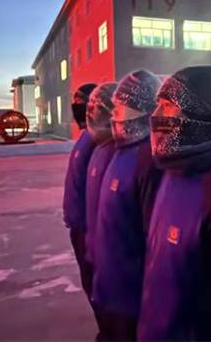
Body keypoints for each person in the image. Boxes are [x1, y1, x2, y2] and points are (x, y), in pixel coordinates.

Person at [138, 65, 211, 341]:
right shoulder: (169, 174)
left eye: (168, 106)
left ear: (194, 117)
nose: (155, 115)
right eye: (158, 104)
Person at [93, 70, 162, 341]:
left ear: (141, 109)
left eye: (120, 105)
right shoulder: (120, 151)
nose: (112, 113)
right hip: (110, 288)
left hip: (131, 300)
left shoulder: (148, 161)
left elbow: (152, 242)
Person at [62, 83, 97, 297]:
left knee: (95, 283)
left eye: (81, 102)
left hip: (89, 227)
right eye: (74, 102)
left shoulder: (97, 140)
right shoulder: (85, 138)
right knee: (88, 280)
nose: (76, 107)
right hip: (78, 224)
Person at [83, 82, 117, 296]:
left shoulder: (119, 153)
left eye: (94, 106)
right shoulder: (98, 147)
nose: (87, 110)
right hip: (94, 243)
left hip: (115, 257)